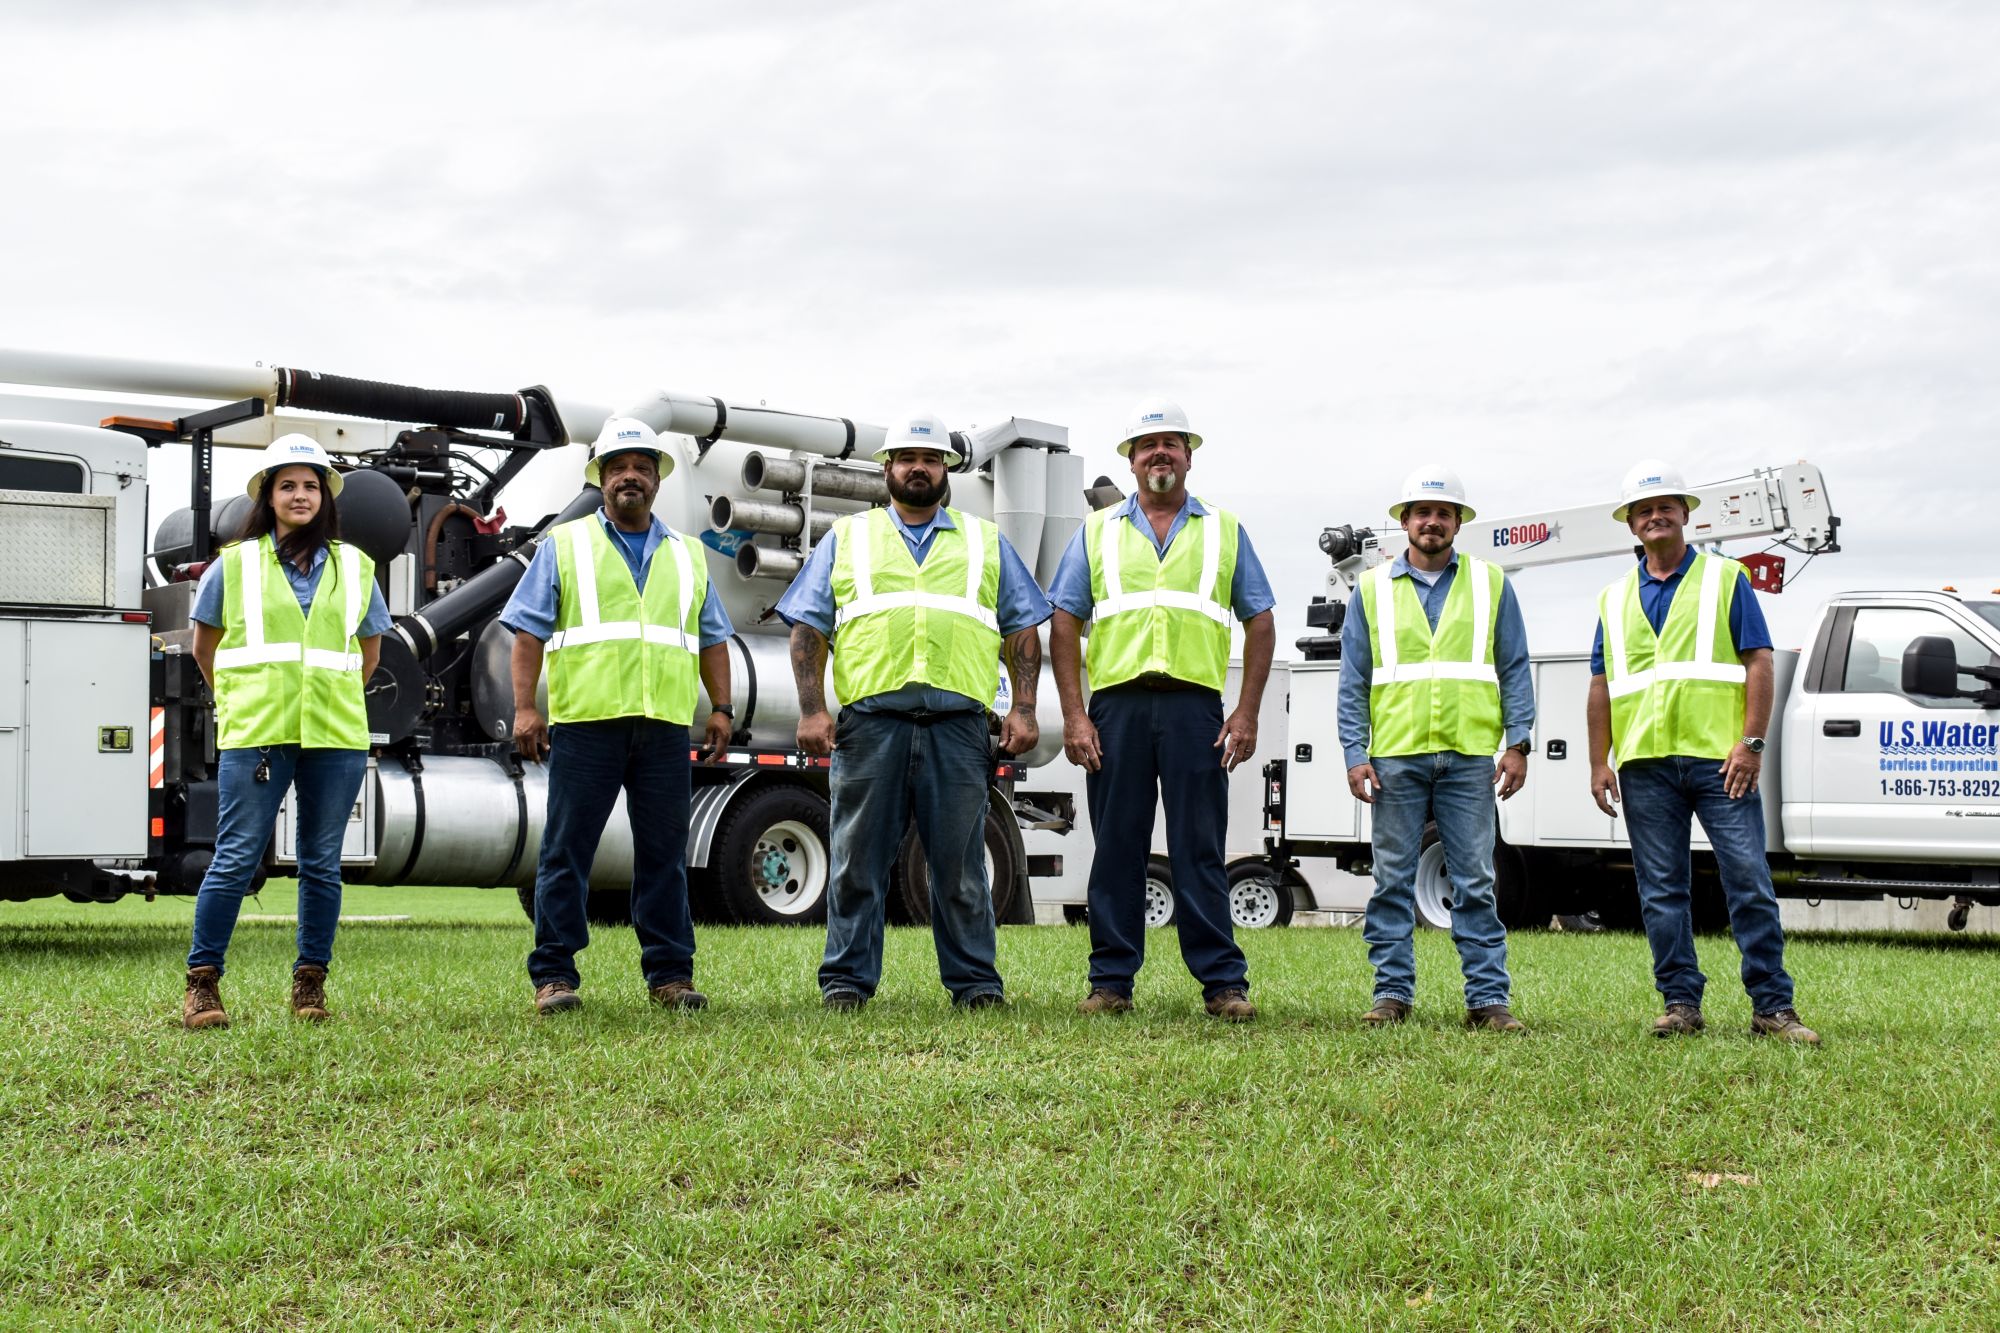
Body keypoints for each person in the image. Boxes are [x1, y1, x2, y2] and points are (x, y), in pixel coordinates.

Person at [780, 410, 1049, 1011]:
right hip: (871, 727)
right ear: (888, 470)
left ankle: (976, 985)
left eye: (930, 460)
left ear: (946, 469)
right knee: (855, 863)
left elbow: (1024, 626)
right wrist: (810, 710)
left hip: (958, 729)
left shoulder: (983, 541)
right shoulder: (847, 538)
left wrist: (1025, 709)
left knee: (960, 868)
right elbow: (808, 625)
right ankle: (847, 983)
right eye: (907, 459)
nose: (919, 468)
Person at [1047, 398, 1275, 1021]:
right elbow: (1064, 623)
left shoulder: (1225, 530)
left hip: (1195, 710)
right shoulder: (1096, 532)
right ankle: (1111, 983)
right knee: (1116, 848)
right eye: (1147, 446)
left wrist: (1247, 711)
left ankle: (1225, 985)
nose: (1160, 455)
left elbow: (1260, 619)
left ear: (1189, 455)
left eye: (1171, 444)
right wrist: (1074, 715)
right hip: (1115, 711)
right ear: (1130, 459)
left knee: (1199, 847)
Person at [501, 417, 734, 1016]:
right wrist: (526, 709)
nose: (630, 476)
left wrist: (723, 709)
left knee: (663, 854)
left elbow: (712, 640)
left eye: (642, 467)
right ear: (601, 479)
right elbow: (526, 633)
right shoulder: (565, 545)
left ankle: (670, 976)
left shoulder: (689, 555)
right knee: (566, 851)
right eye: (618, 468)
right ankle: (554, 975)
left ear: (657, 479)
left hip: (662, 726)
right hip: (587, 723)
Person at [1586, 459, 1818, 1044]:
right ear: (1632, 524)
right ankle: (1680, 1003)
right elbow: (1601, 684)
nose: (1655, 516)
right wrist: (1598, 762)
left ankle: (1772, 1007)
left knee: (1747, 880)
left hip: (1722, 763)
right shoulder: (1613, 599)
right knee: (1661, 889)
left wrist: (1752, 743)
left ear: (1685, 515)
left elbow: (1758, 661)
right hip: (1645, 766)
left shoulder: (1724, 578)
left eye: (1666, 506)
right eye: (1644, 510)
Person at [182, 434, 392, 1029]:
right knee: (236, 858)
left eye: (310, 485)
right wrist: (245, 700)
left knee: (322, 863)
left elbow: (367, 653)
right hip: (258, 731)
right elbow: (206, 648)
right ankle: (202, 986)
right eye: (288, 485)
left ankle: (310, 987)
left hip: (335, 733)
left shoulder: (356, 567)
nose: (300, 495)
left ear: (325, 497)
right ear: (269, 497)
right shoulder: (235, 564)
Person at [1338, 465, 1534, 1031]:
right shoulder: (1371, 589)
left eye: (1443, 513)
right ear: (1404, 522)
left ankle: (1488, 1001)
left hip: (1470, 755)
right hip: (1394, 755)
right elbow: (1354, 679)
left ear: (1458, 522)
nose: (1432, 522)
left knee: (1475, 880)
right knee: (1391, 879)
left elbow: (1514, 667)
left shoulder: (1491, 583)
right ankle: (1391, 996)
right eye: (1421, 512)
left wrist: (1518, 743)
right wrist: (1356, 752)